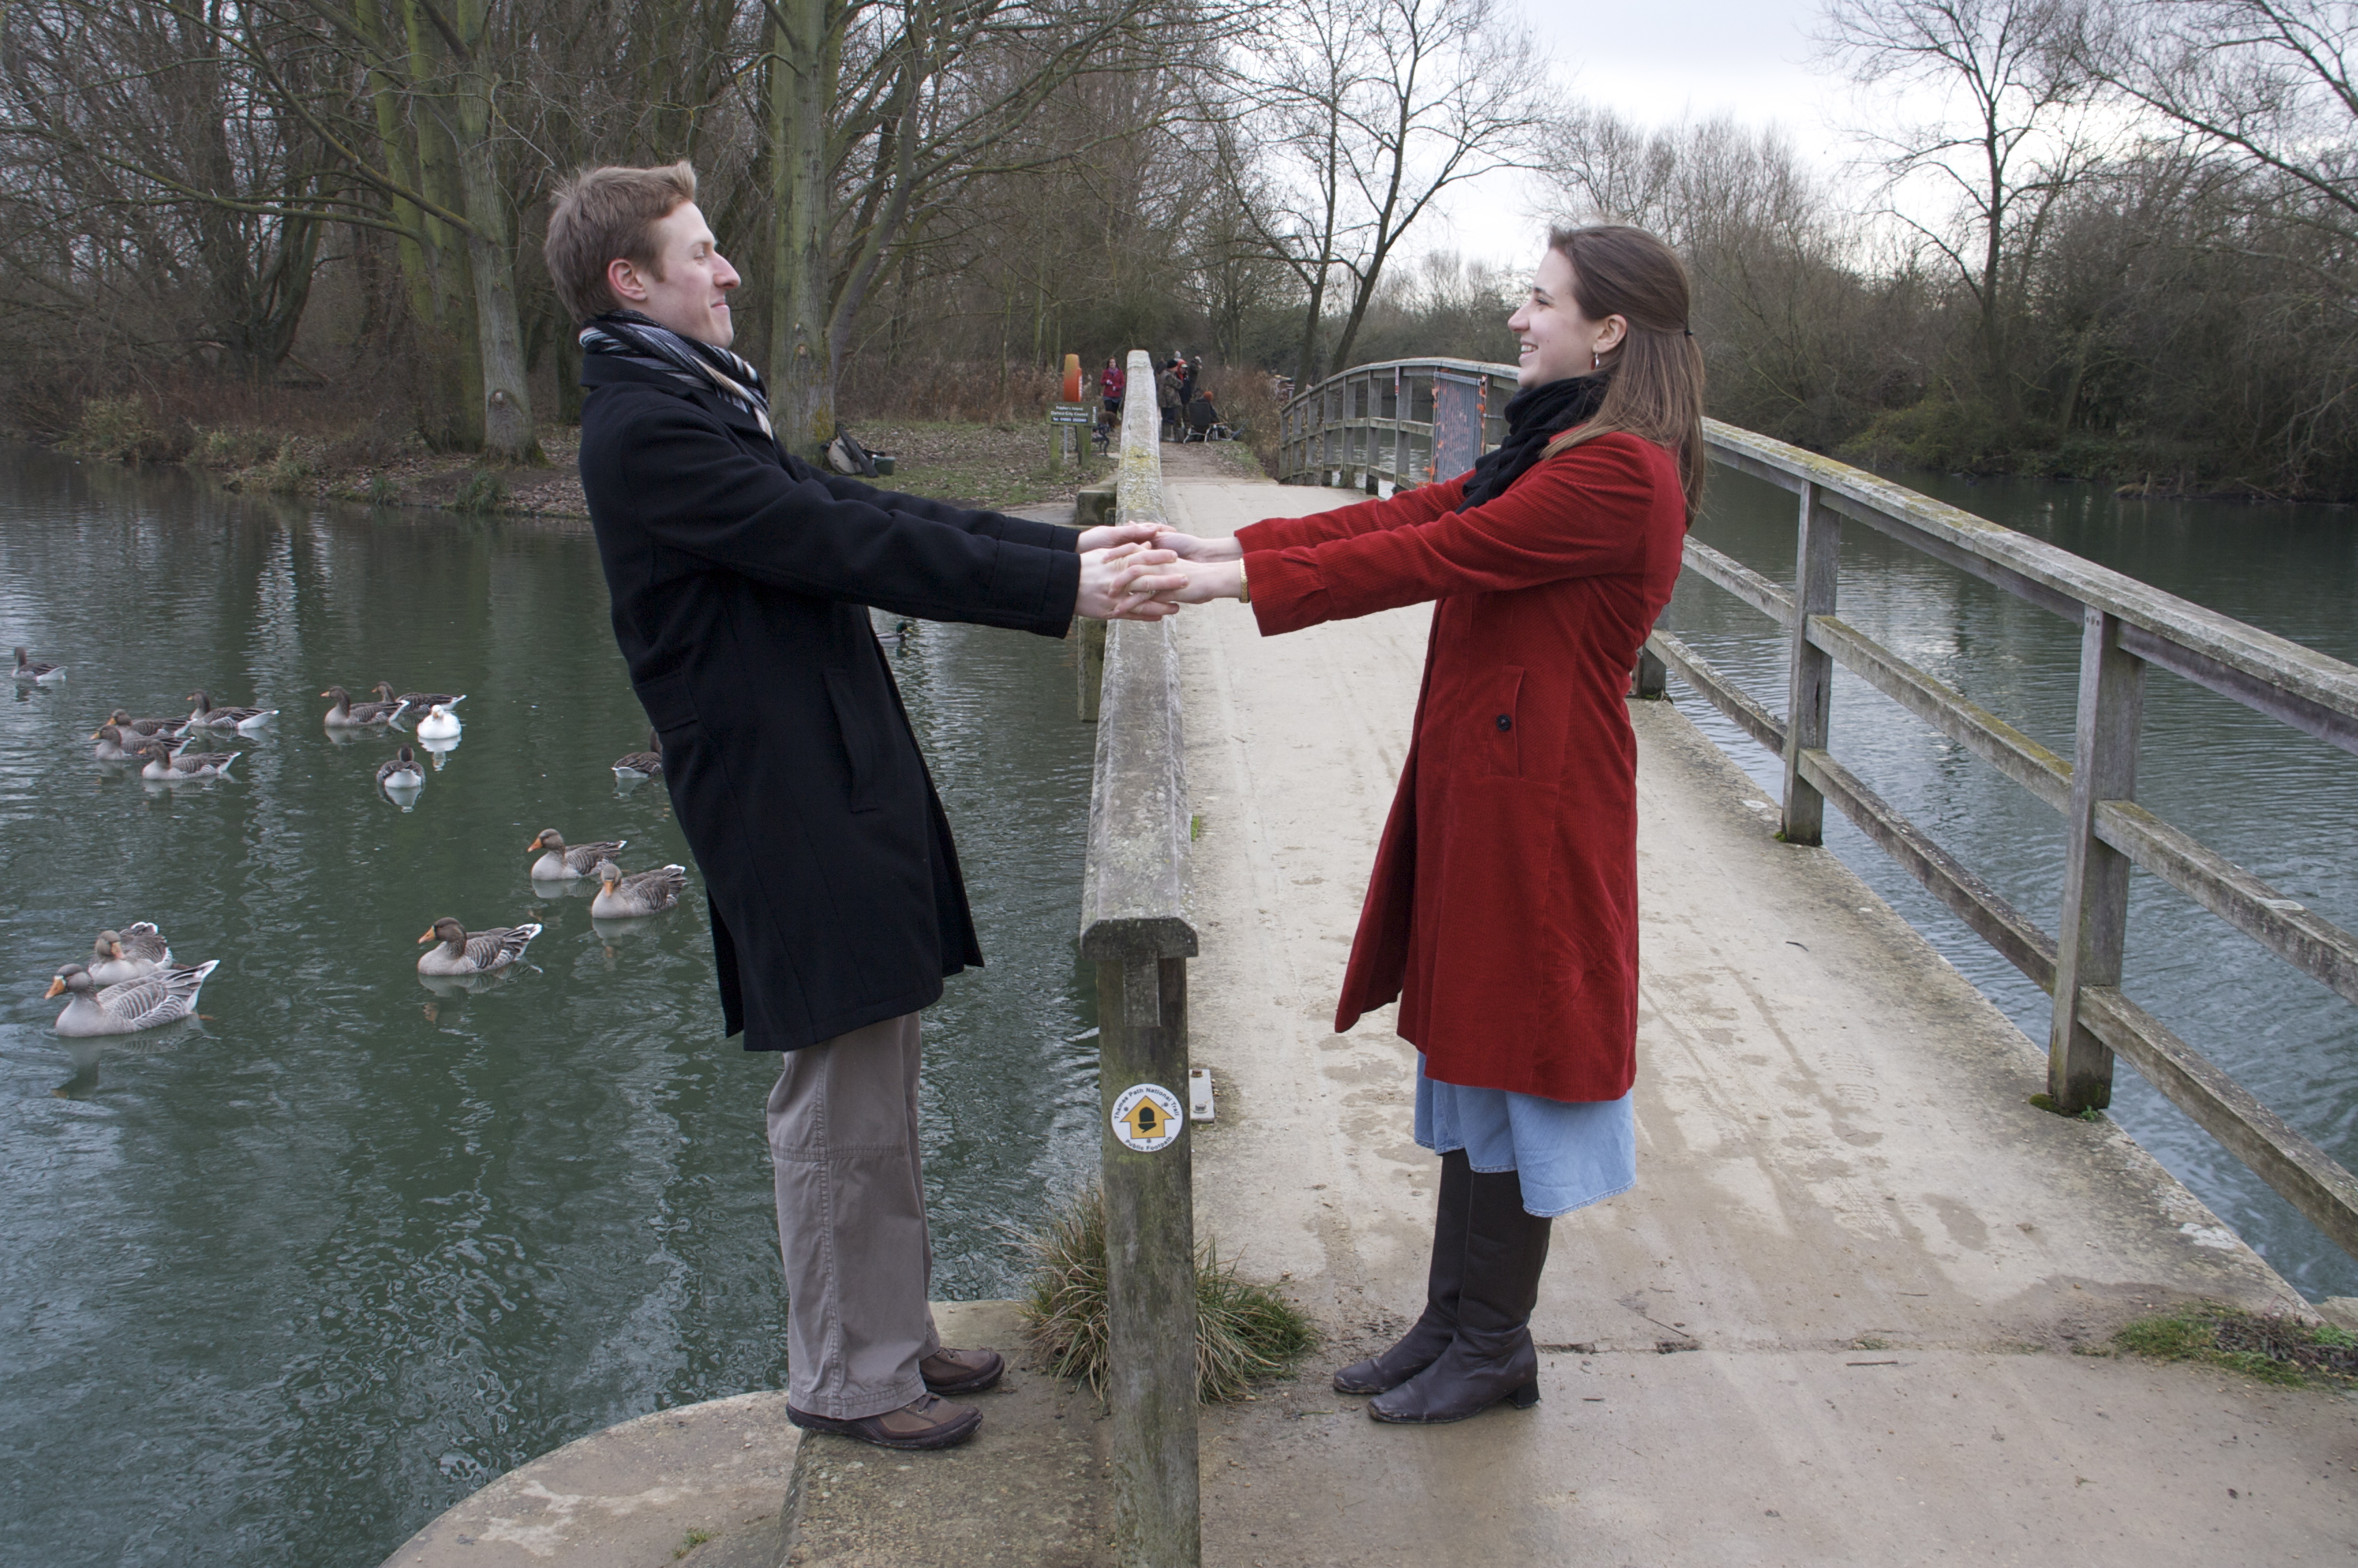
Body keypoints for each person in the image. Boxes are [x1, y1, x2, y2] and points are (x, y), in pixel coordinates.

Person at [544, 161, 1182, 1453]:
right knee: (836, 1085)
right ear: (631, 280)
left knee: (881, 1064)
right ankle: (846, 1374)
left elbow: (847, 503)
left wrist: (1061, 551)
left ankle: (890, 1330)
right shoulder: (645, 428)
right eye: (701, 250)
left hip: (825, 768)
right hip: (778, 794)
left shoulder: (693, 396)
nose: (728, 269)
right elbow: (841, 543)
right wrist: (1062, 589)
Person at [1144, 225, 1701, 1425]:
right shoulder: (1555, 445)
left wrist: (1228, 583)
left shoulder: (1619, 473)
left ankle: (1494, 1342)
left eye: (1541, 300)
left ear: (1609, 329)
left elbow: (1442, 550)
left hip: (1542, 811)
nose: (1518, 317)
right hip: (1492, 789)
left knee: (1516, 1060)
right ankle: (1453, 1326)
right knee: (1473, 1059)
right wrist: (1227, 546)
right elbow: (1415, 512)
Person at [1156, 358, 1182, 441]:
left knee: (1165, 418)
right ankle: (1167, 436)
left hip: (1163, 400)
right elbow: (1179, 385)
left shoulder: (1162, 374)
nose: (1177, 368)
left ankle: (1164, 436)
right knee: (1169, 418)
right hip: (1169, 400)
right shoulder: (1169, 376)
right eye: (1176, 367)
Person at [1100, 356, 1126, 421]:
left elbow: (1123, 383)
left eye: (1113, 362)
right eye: (1110, 362)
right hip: (1107, 395)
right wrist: (1106, 381)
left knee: (1114, 412)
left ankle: (1113, 425)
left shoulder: (1120, 372)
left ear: (1116, 363)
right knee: (1109, 410)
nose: (1112, 364)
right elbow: (1101, 382)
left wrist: (1117, 387)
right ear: (1108, 364)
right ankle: (1108, 424)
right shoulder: (1105, 372)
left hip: (1117, 396)